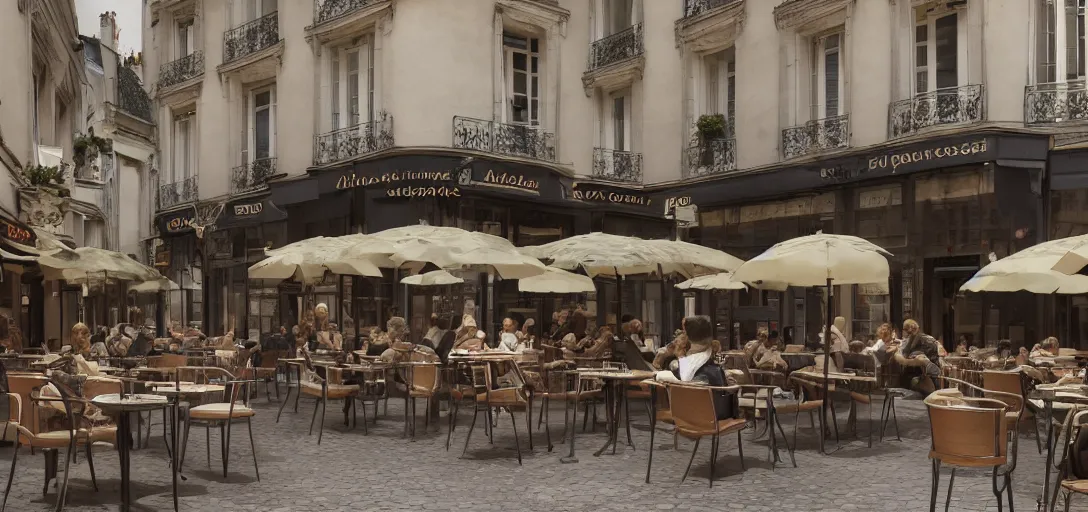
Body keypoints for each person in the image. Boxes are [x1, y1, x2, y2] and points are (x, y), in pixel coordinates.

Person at [660, 315, 736, 420]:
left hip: (687, 417)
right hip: (715, 416)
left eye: (684, 332)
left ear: (688, 337)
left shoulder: (685, 366)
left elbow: (677, 375)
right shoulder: (708, 363)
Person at [896, 319, 940, 393]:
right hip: (923, 371)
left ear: (912, 328)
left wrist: (902, 358)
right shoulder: (914, 339)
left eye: (906, 330)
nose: (905, 333)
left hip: (928, 375)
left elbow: (911, 358)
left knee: (906, 375)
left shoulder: (925, 340)